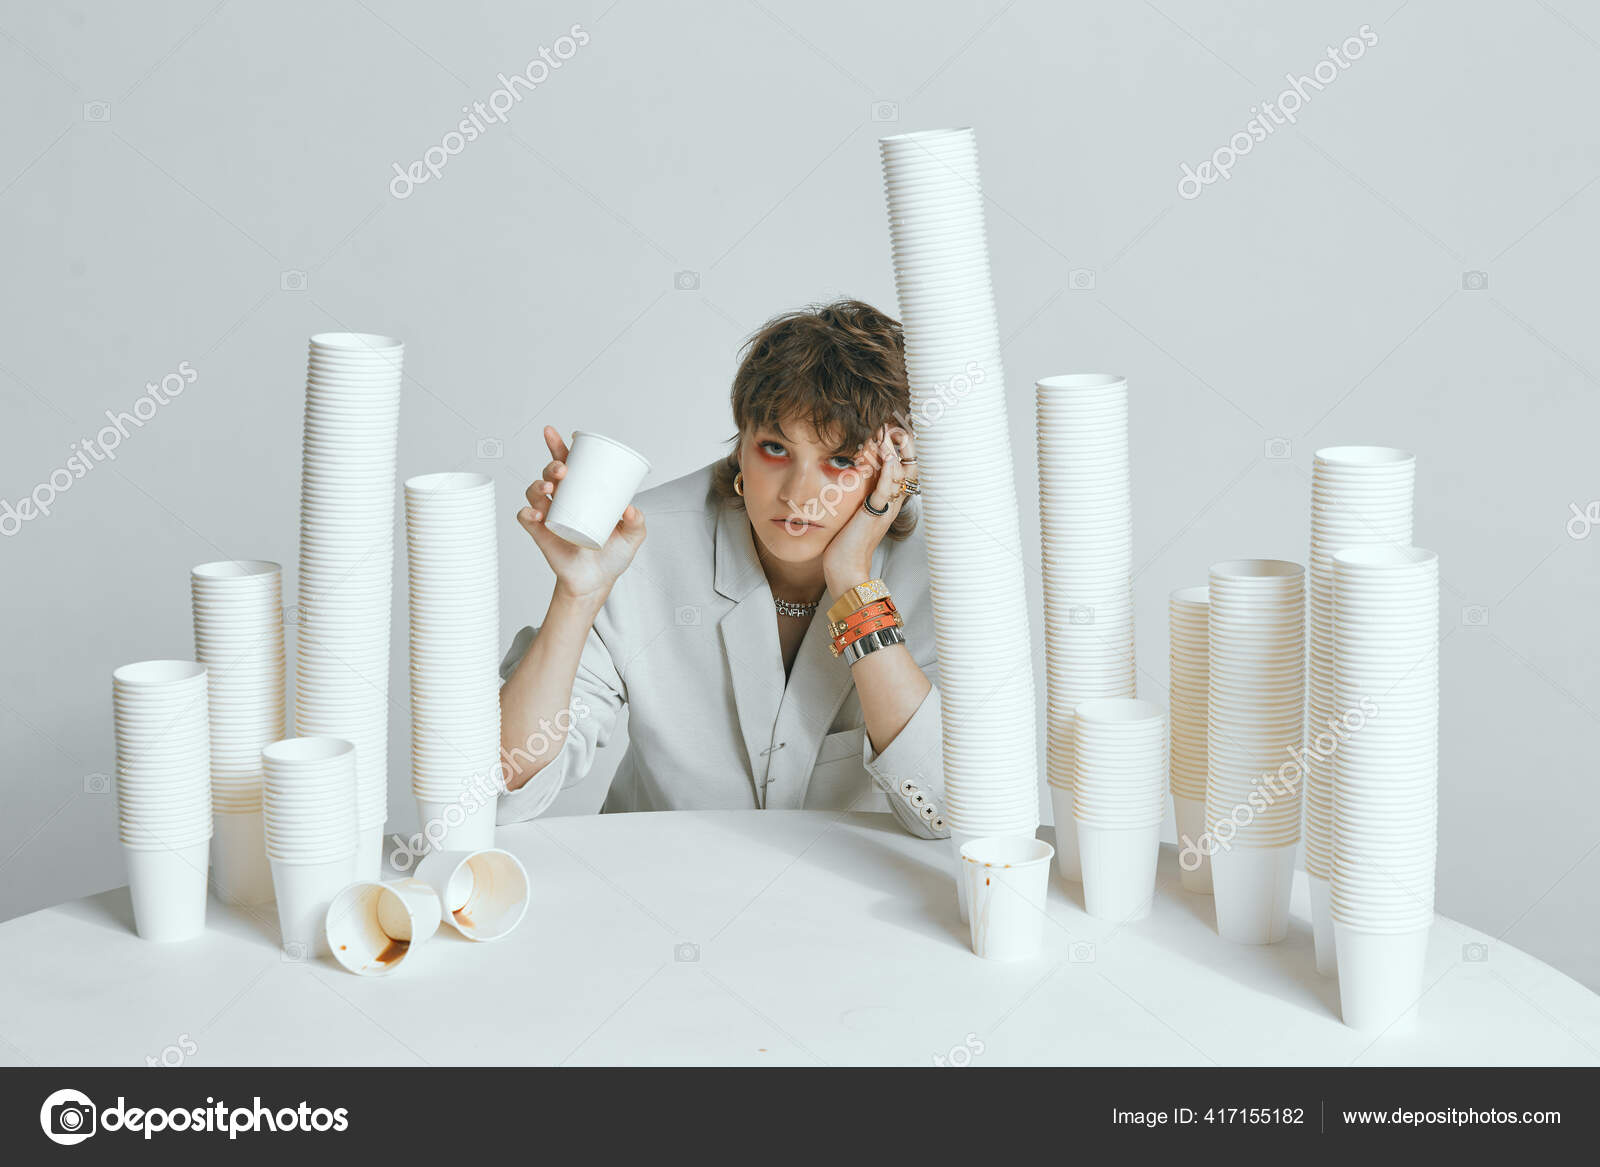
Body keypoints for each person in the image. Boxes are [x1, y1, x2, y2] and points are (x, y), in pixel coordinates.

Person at [496, 299, 948, 839]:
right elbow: (500, 789)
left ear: (897, 467)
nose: (800, 495)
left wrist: (852, 579)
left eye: (843, 460)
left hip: (848, 901)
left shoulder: (941, 567)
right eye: (774, 448)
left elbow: (943, 812)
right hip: (660, 886)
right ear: (741, 447)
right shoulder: (640, 541)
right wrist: (576, 595)